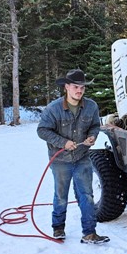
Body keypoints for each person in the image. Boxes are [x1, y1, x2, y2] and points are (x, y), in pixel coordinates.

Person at [37, 68, 109, 244]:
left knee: (87, 195)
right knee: (61, 196)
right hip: (60, 160)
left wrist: (93, 136)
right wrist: (63, 142)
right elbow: (42, 130)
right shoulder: (53, 109)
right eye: (75, 87)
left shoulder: (91, 106)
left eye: (82, 87)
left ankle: (89, 232)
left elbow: (94, 125)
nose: (79, 91)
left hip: (82, 157)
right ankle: (58, 228)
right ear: (66, 87)